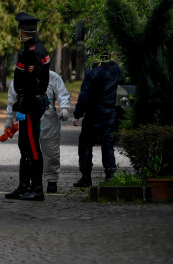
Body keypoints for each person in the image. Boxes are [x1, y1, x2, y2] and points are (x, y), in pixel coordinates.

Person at [5, 12, 52, 202]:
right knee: (24, 144)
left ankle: (37, 189)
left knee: (32, 146)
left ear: (23, 30)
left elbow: (33, 83)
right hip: (27, 102)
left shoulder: (33, 51)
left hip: (31, 103)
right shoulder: (30, 48)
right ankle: (24, 186)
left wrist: (23, 105)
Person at [6, 69, 71, 194]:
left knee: (51, 149)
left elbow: (62, 93)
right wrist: (9, 118)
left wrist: (64, 108)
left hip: (47, 117)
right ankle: (32, 181)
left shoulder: (51, 76)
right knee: (29, 151)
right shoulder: (20, 77)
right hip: (28, 116)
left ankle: (51, 180)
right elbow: (12, 98)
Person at [72, 52, 121, 187]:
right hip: (109, 113)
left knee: (85, 145)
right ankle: (110, 175)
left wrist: (77, 115)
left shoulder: (92, 74)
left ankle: (86, 177)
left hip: (93, 115)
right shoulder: (116, 71)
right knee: (108, 146)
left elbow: (84, 98)